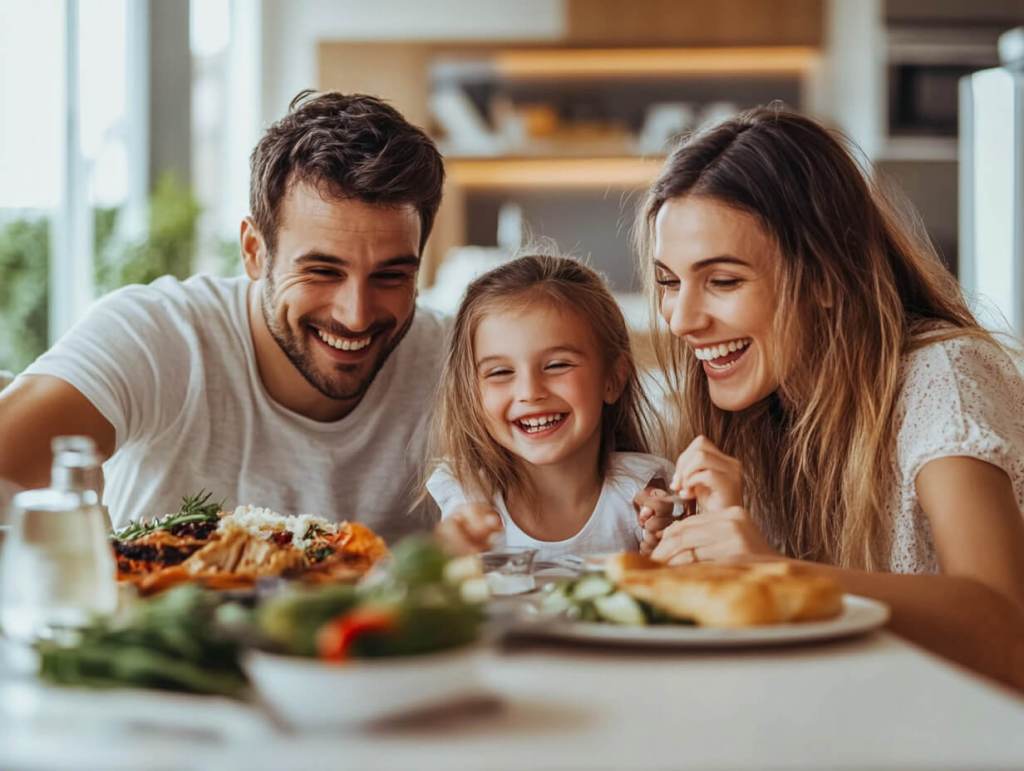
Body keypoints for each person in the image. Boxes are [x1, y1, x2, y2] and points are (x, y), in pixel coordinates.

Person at [634, 105, 1024, 689]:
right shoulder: (761, 407)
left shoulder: (942, 376)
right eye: (669, 282)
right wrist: (706, 542)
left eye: (723, 281)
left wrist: (776, 574)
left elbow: (1006, 628)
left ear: (822, 276)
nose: (682, 318)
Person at [0, 91, 448, 543]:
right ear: (254, 251)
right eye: (322, 271)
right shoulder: (158, 335)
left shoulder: (458, 362)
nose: (356, 315)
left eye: (390, 276)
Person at [426, 254, 674, 558]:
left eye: (557, 365)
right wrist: (448, 555)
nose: (530, 392)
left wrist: (662, 547)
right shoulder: (468, 495)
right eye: (501, 372)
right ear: (471, 394)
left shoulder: (641, 491)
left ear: (612, 379)